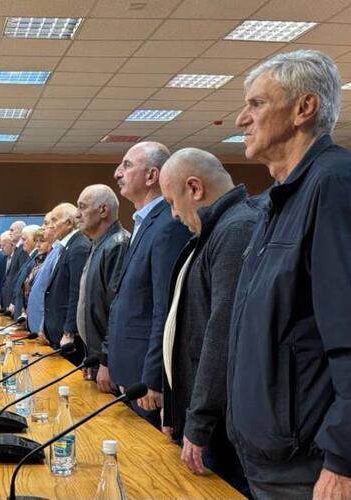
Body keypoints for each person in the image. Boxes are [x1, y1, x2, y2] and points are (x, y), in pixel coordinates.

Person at [228, 50, 351, 499]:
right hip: (271, 458)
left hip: (311, 465)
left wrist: (343, 458)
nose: (242, 118)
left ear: (304, 108)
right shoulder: (279, 200)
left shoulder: (333, 184)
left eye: (257, 104)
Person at [158, 149, 256, 497]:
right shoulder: (215, 230)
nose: (173, 214)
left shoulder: (236, 229)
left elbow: (220, 333)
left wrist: (198, 421)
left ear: (195, 188)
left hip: (222, 424)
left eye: (172, 202)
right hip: (206, 416)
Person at [107, 142, 191, 427]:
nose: (118, 173)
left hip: (146, 380)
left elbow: (165, 308)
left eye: (127, 165)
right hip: (130, 371)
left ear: (152, 176)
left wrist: (154, 378)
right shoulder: (144, 222)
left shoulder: (169, 224)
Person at [74, 185, 129, 389]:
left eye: (82, 207)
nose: (77, 214)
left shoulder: (117, 245)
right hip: (96, 357)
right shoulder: (98, 244)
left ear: (103, 210)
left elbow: (117, 310)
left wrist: (107, 360)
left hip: (110, 363)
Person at [44, 203, 91, 365]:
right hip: (57, 330)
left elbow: (76, 292)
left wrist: (69, 331)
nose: (51, 225)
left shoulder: (79, 247)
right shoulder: (67, 246)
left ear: (69, 223)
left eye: (55, 220)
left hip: (68, 337)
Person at [21, 228, 51, 336]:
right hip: (31, 315)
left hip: (43, 318)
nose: (38, 245)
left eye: (42, 241)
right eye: (36, 241)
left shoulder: (49, 262)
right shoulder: (37, 261)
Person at [9, 224, 40, 320]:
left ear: (35, 241)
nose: (22, 243)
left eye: (24, 239)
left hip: (26, 311)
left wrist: (24, 311)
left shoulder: (37, 258)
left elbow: (29, 287)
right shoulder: (30, 257)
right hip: (19, 307)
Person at [1, 224, 29, 312]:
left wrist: (13, 301)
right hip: (9, 299)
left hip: (16, 301)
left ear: (21, 232)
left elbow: (21, 277)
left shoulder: (23, 249)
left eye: (12, 230)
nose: (10, 233)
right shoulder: (18, 249)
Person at [0, 231, 15, 312]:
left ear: (12, 244)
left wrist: (13, 302)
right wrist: (0, 303)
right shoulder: (4, 259)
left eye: (4, 245)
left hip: (13, 305)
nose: (1, 248)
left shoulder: (18, 259)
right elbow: (2, 283)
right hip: (4, 303)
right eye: (1, 246)